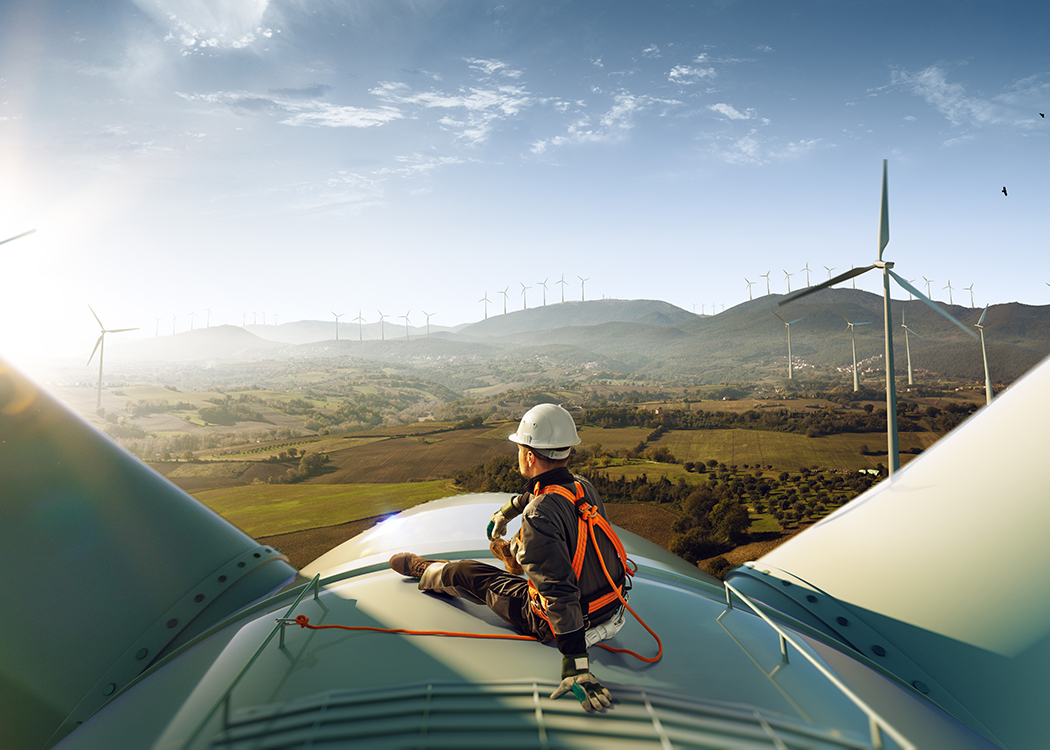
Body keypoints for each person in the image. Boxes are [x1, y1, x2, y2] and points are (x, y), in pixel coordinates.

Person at [389, 403, 626, 712]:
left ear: (529, 455)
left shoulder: (539, 514)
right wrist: (507, 511)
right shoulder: (582, 487)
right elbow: (542, 494)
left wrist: (576, 663)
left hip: (562, 622)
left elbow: (559, 591)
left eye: (520, 448)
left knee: (467, 572)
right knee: (533, 545)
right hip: (612, 606)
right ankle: (515, 554)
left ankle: (427, 571)